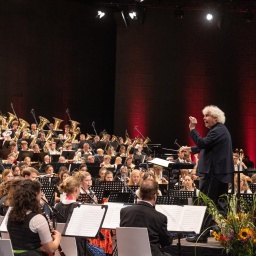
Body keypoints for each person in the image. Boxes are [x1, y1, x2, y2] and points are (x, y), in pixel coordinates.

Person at [182, 105, 234, 243]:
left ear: (215, 118)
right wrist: (191, 149)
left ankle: (202, 235)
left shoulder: (217, 131)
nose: (204, 118)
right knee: (218, 206)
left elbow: (203, 143)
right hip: (218, 174)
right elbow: (207, 146)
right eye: (204, 115)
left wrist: (193, 129)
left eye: (207, 116)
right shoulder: (219, 130)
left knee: (207, 205)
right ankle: (226, 236)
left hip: (214, 175)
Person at [7, 179, 61, 256]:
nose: (41, 194)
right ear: (36, 194)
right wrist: (58, 237)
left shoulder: (10, 215)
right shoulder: (38, 219)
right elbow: (50, 249)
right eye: (40, 192)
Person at [120, 179, 172, 256]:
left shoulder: (124, 211)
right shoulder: (160, 217)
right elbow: (166, 242)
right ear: (155, 196)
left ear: (140, 194)